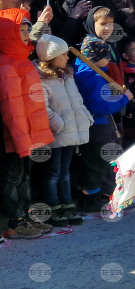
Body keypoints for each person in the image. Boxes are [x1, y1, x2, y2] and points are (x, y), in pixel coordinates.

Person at [0, 8, 54, 239]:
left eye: (26, 29)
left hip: (29, 134)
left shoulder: (21, 59)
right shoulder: (7, 65)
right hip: (16, 137)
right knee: (13, 178)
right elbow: (12, 109)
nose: (25, 34)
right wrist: (22, 141)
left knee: (24, 177)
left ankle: (27, 217)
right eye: (20, 30)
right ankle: (15, 222)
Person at [33, 35, 93, 226]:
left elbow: (77, 101)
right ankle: (53, 207)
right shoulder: (40, 78)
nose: (68, 57)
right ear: (52, 57)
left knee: (65, 170)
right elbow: (42, 107)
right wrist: (58, 124)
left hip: (70, 131)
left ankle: (67, 204)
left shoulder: (67, 76)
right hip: (56, 133)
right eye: (64, 54)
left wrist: (86, 117)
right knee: (52, 172)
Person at [72, 36, 132, 211]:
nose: (109, 60)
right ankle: (90, 199)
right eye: (106, 56)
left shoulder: (84, 71)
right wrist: (123, 99)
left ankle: (92, 195)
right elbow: (99, 106)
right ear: (97, 58)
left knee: (93, 162)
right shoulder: (93, 78)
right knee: (97, 164)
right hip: (99, 126)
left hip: (92, 125)